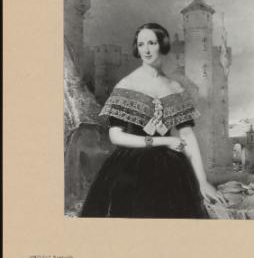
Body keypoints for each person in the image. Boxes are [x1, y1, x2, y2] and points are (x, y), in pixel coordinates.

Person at [80, 23, 219, 218]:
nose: (145, 49)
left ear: (162, 45)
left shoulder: (175, 87)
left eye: (151, 43)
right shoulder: (127, 85)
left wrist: (202, 181)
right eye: (141, 44)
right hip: (130, 167)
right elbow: (115, 136)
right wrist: (164, 141)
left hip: (171, 170)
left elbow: (187, 134)